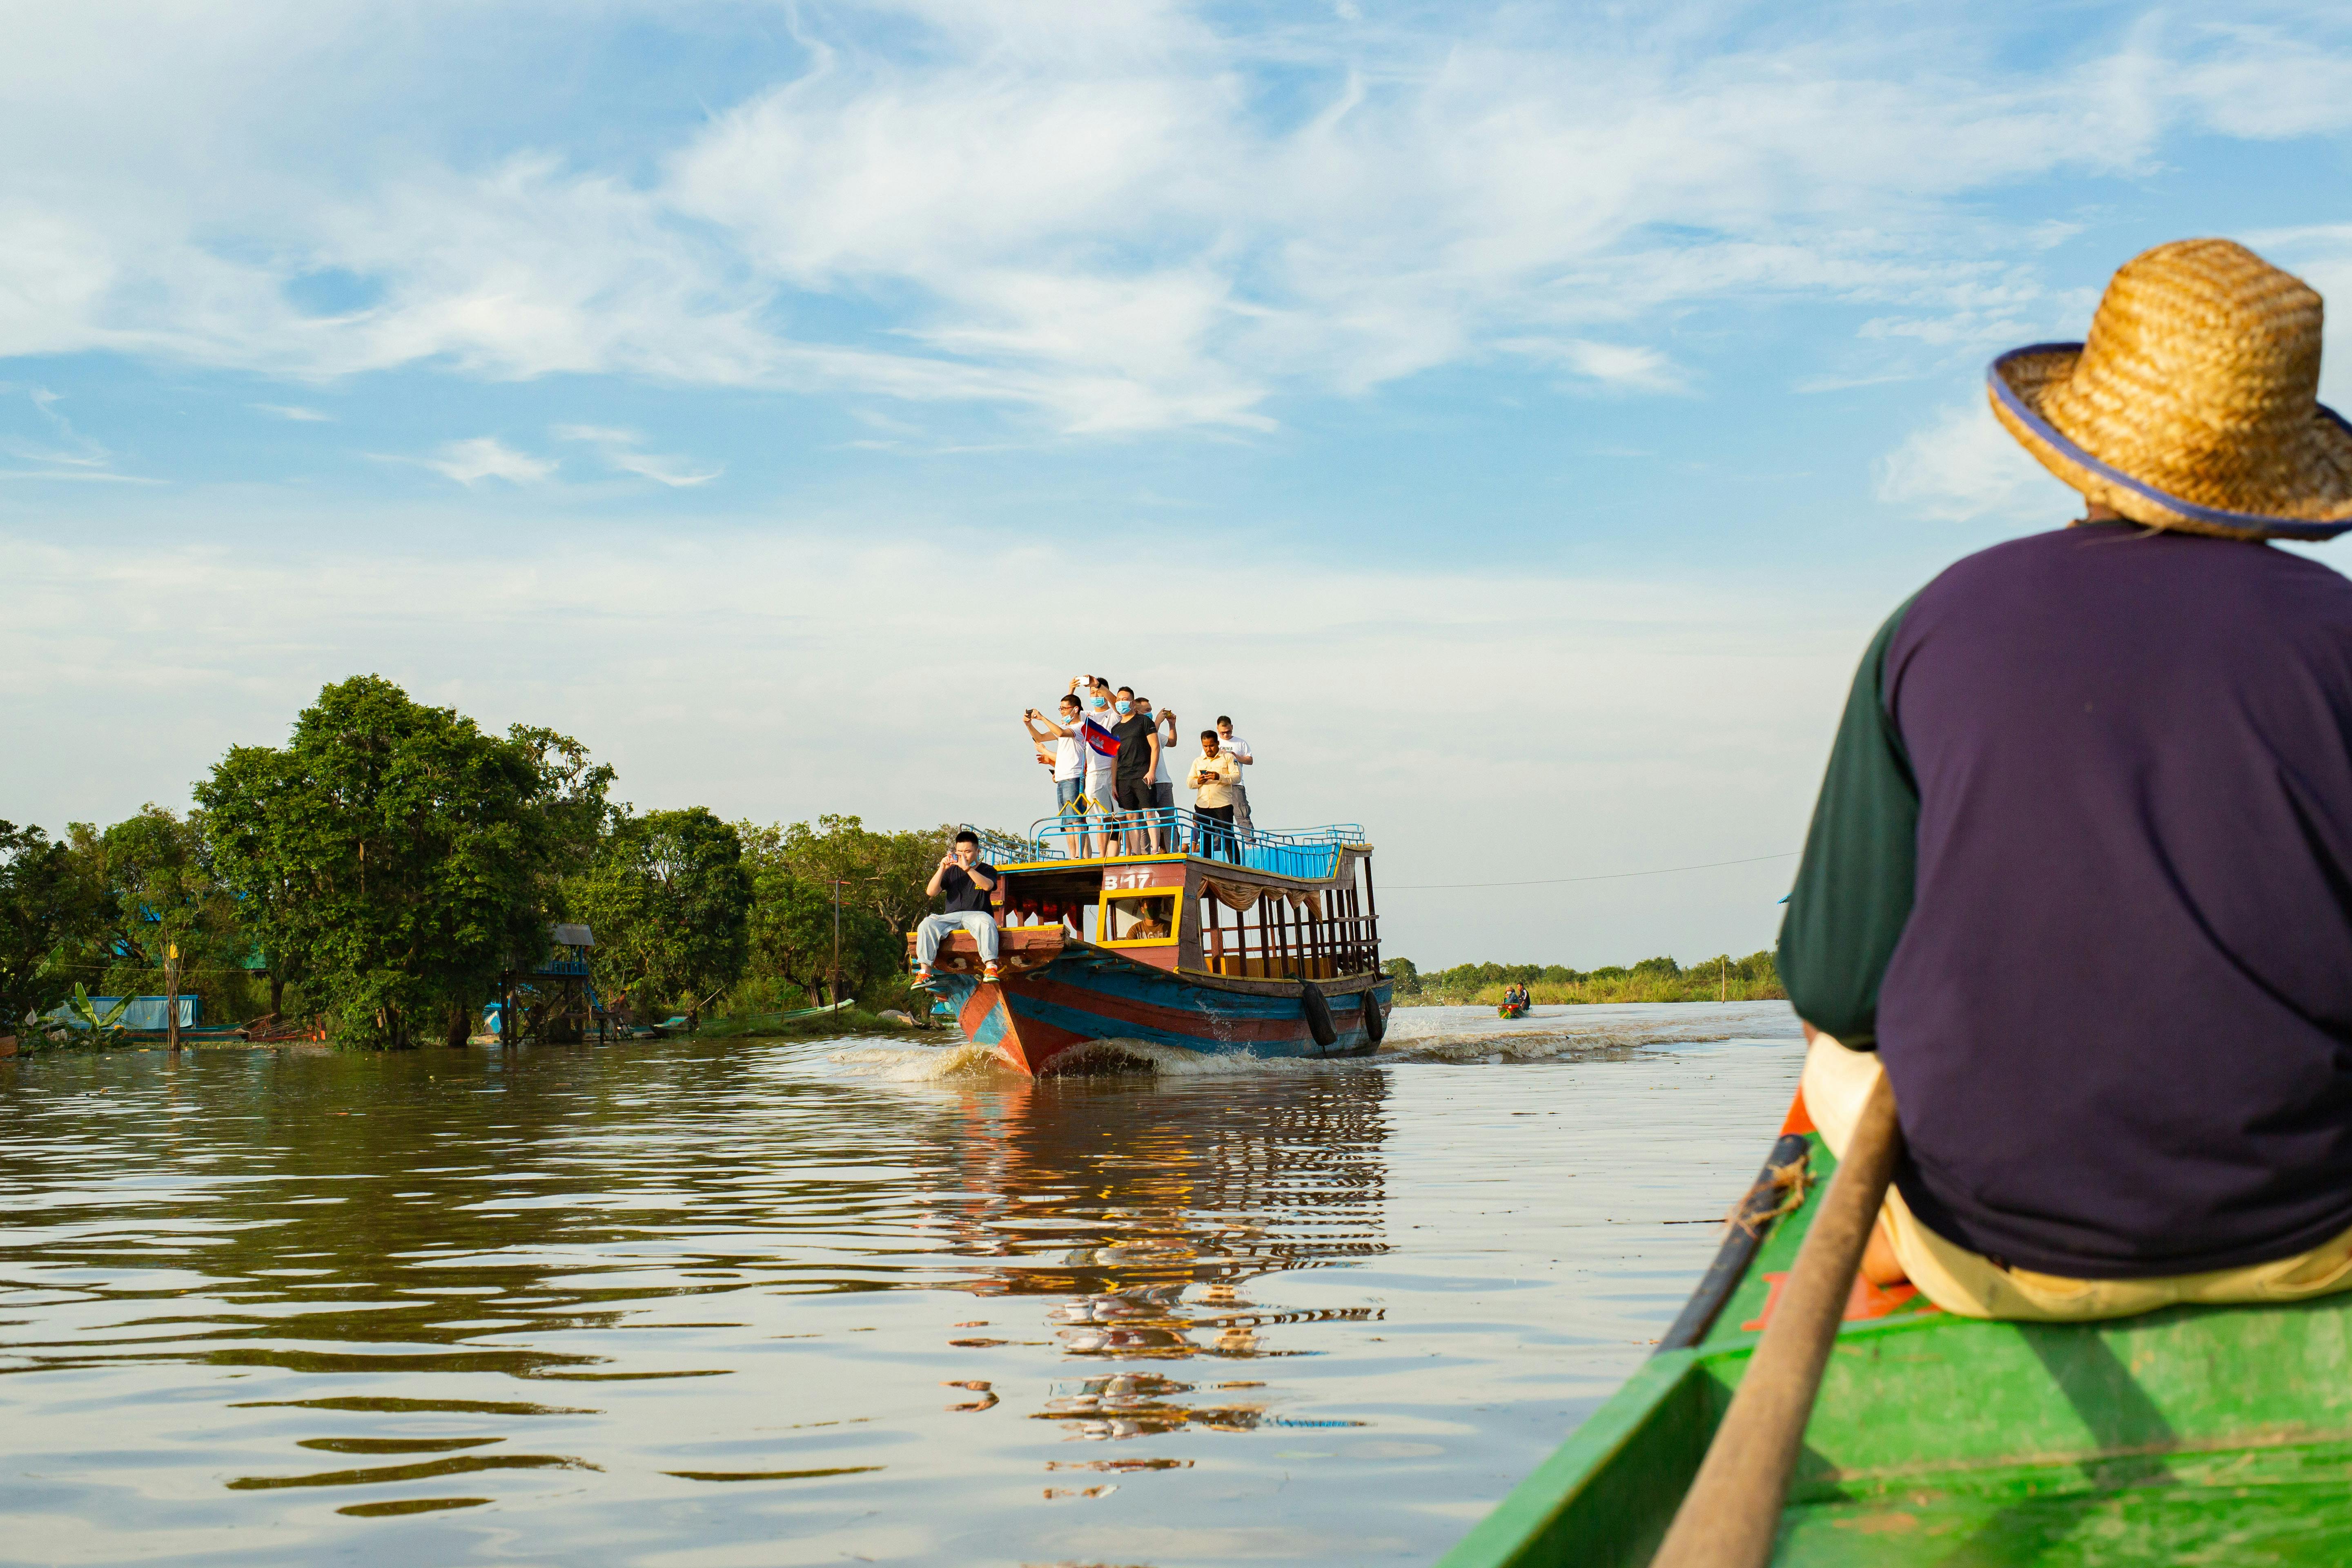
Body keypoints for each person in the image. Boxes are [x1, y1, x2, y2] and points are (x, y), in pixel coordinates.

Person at [1782, 238, 2352, 1324]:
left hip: (2003, 1257)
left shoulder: (1935, 622)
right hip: (2317, 1241)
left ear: (2081, 448)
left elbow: (1835, 993)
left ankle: (1898, 1253)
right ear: (2276, 465)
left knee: (1831, 1064)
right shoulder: (2341, 634)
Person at [913, 830, 1002, 985]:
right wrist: (942, 868)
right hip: (951, 917)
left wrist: (968, 869)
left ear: (977, 852)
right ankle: (925, 973)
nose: (964, 856)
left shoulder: (987, 869)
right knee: (927, 924)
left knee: (987, 922)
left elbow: (988, 886)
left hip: (977, 914)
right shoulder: (951, 871)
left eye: (968, 852)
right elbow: (931, 892)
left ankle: (990, 967)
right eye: (960, 852)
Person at [1024, 695, 1088, 833]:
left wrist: (1042, 718)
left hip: (1073, 778)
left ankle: (1082, 854)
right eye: (1061, 709)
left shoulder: (1080, 727)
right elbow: (1040, 737)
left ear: (1076, 709)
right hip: (1061, 778)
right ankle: (1074, 855)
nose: (1062, 712)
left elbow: (1061, 732)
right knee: (1067, 823)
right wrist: (1029, 725)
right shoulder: (1063, 727)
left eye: (1065, 708)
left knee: (1076, 819)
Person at [1108, 686, 1160, 855]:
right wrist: (1113, 784)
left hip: (1143, 775)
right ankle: (1136, 853)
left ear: (1132, 703)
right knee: (1131, 817)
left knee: (1149, 813)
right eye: (1118, 699)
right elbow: (1114, 758)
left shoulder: (1144, 722)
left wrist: (1151, 772)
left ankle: (1154, 850)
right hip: (1124, 778)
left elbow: (1155, 747)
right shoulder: (1115, 729)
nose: (1121, 702)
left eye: (1125, 699)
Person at [1073, 677, 1121, 857]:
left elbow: (1116, 702)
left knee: (1119, 818)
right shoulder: (1086, 717)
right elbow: (1069, 713)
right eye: (1092, 693)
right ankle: (1103, 856)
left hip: (1115, 771)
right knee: (1101, 819)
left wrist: (1099, 686)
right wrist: (1072, 690)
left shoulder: (1115, 714)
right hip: (1093, 773)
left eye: (1099, 693)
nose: (1096, 695)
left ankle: (1116, 854)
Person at [1187, 729, 1242, 862]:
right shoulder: (1198, 761)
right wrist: (1198, 781)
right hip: (1203, 805)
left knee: (1228, 835)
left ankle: (1236, 866)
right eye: (1205, 746)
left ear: (1217, 743)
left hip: (1222, 804)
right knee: (1206, 837)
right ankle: (1207, 865)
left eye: (1211, 745)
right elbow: (1190, 783)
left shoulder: (1228, 757)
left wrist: (1220, 777)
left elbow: (1237, 777)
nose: (1209, 749)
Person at [1216, 716, 1254, 838]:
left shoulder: (1241, 743)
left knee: (1242, 814)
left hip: (1236, 783)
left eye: (1229, 732)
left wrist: (1236, 756)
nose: (1226, 735)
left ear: (1232, 728)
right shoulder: (1213, 743)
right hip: (1219, 784)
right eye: (1223, 733)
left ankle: (1250, 843)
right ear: (1218, 729)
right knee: (1218, 817)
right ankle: (1217, 846)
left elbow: (1250, 760)